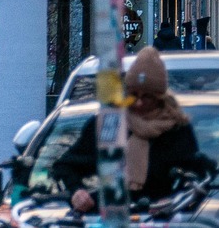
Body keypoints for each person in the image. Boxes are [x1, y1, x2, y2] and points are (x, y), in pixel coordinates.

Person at [54, 47, 202, 211]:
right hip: (109, 218)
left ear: (159, 97)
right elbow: (65, 166)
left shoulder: (177, 130)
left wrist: (172, 201)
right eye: (134, 94)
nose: (138, 103)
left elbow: (196, 179)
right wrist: (77, 192)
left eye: (147, 96)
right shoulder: (108, 125)